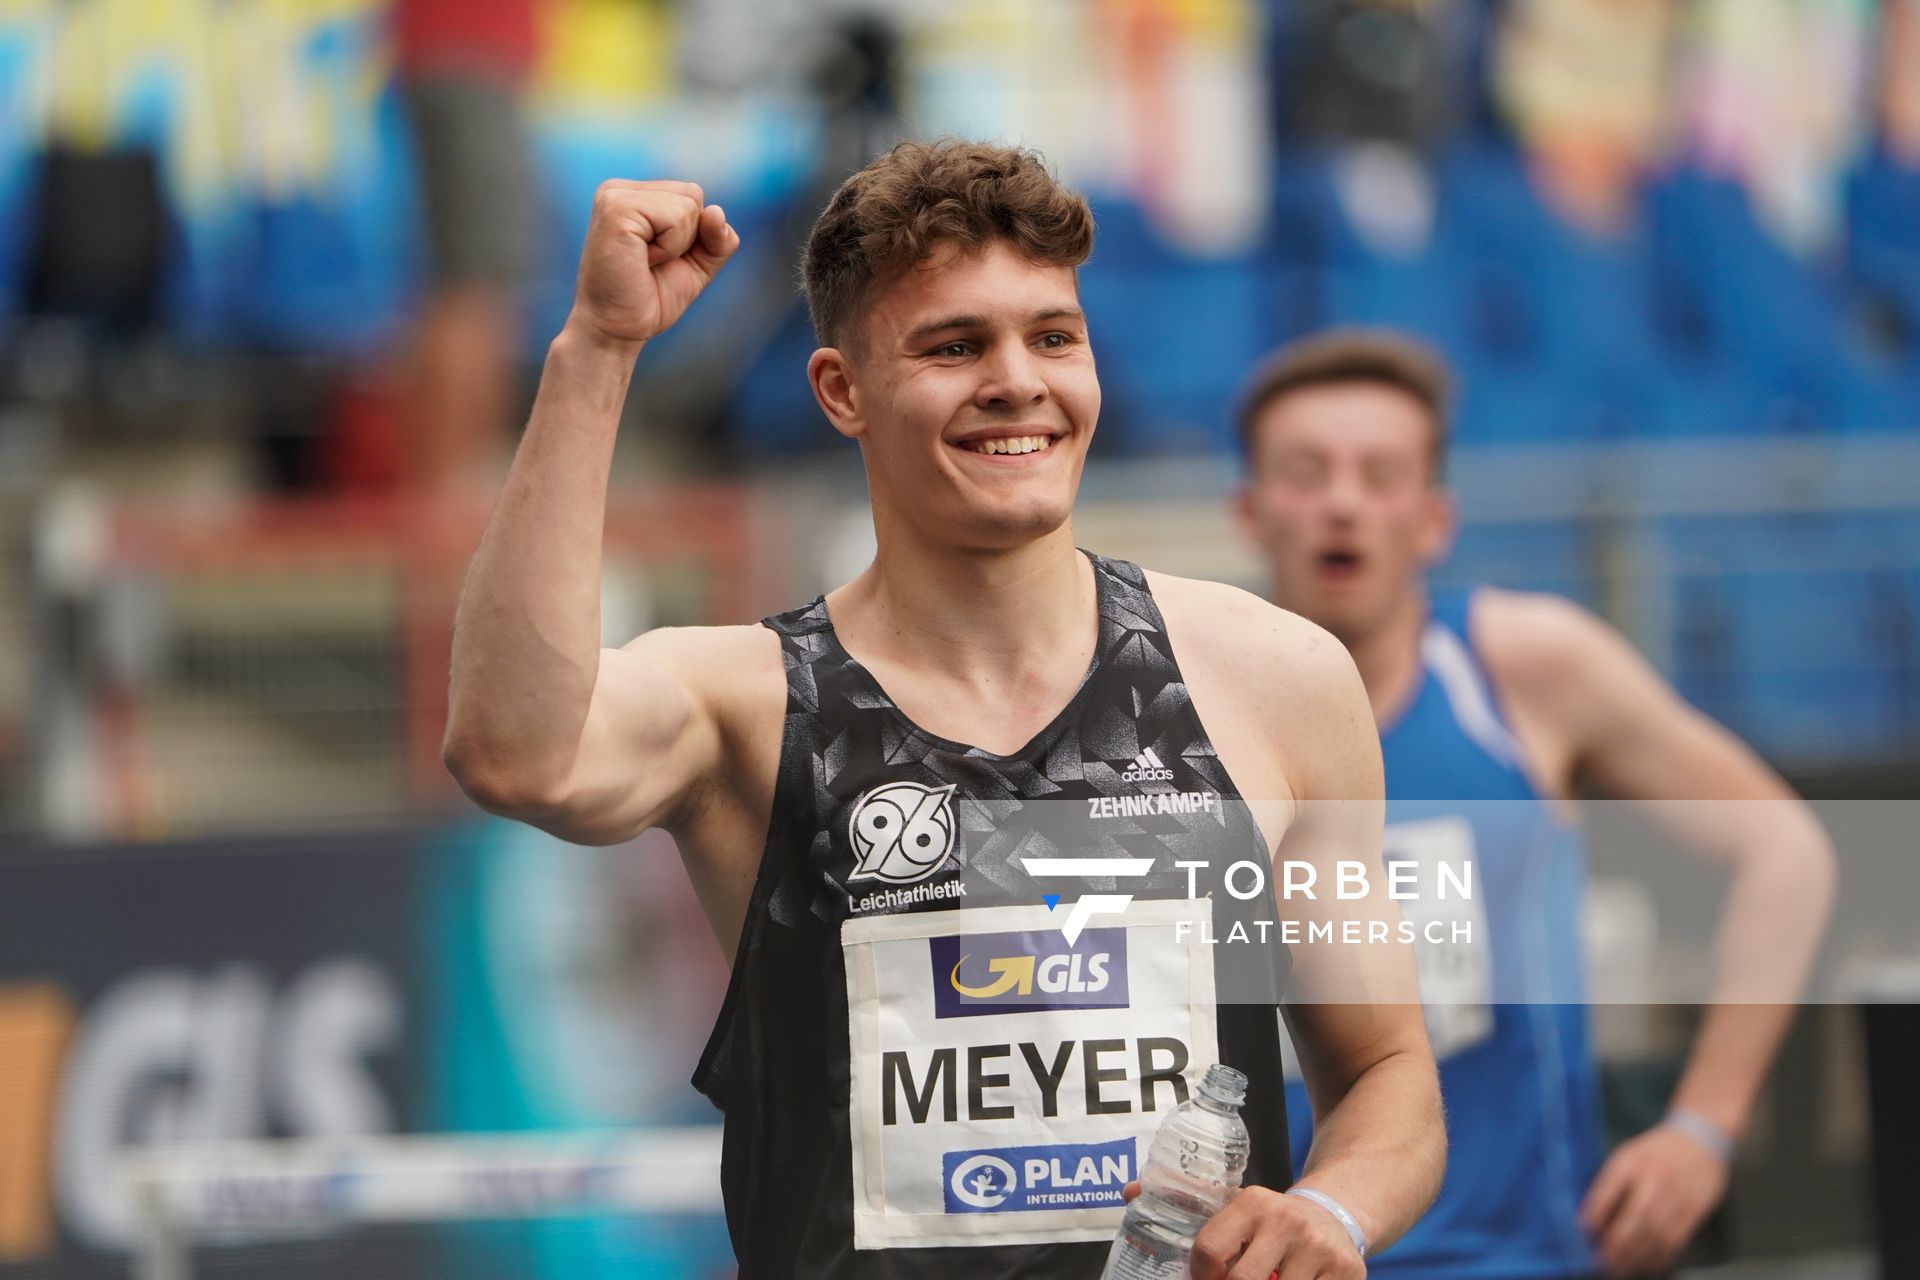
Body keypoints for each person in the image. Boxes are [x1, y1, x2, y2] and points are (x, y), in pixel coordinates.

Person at [442, 141, 1445, 1277]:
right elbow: (512, 752)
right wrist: (598, 352)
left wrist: (1335, 1209)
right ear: (842, 391)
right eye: (955, 344)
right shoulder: (746, 700)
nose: (1018, 379)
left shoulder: (1274, 679)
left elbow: (1386, 1071)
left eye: (1052, 336)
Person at [1231, 329, 1837, 1279]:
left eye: (1380, 474)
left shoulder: (1524, 668)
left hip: (1521, 1255)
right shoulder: (1188, 701)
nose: (1342, 503)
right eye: (1307, 473)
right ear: (1251, 512)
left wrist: (1703, 1127)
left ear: (1434, 519)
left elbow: (1787, 853)